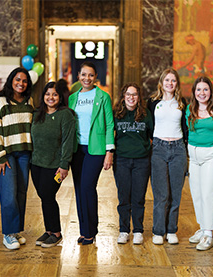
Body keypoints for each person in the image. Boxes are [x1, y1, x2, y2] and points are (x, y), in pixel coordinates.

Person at [68, 62, 115, 245]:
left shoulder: (103, 96)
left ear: (95, 77)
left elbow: (110, 124)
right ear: (78, 75)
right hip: (76, 148)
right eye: (83, 74)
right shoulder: (72, 98)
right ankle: (84, 230)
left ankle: (92, 230)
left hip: (96, 148)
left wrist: (109, 151)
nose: (87, 78)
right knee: (79, 189)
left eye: (91, 75)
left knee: (87, 187)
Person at [0, 67, 35, 250]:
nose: (20, 84)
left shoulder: (29, 101)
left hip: (24, 153)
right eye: (17, 80)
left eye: (24, 81)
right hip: (6, 155)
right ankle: (7, 234)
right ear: (11, 80)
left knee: (21, 194)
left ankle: (15, 231)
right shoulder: (0, 102)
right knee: (8, 194)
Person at [30, 81, 76, 248]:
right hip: (36, 164)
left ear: (60, 97)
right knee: (44, 196)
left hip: (55, 166)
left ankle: (56, 233)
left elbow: (67, 141)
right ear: (43, 96)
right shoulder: (37, 113)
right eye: (48, 94)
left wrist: (64, 165)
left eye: (54, 94)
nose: (51, 97)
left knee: (49, 196)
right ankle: (48, 230)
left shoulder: (66, 115)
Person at [147, 68, 188, 245]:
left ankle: (171, 230)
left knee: (175, 194)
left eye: (173, 80)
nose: (170, 83)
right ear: (161, 83)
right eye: (167, 80)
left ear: (176, 83)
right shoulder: (153, 102)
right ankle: (158, 231)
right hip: (158, 148)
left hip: (178, 149)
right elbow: (149, 125)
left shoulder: (182, 102)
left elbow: (185, 126)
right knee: (161, 194)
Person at [112, 83, 154, 245]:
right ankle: (123, 230)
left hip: (142, 160)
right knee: (123, 197)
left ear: (139, 97)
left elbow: (152, 135)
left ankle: (138, 230)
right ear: (123, 96)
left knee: (138, 197)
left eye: (135, 94)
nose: (131, 97)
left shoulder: (146, 115)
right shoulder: (116, 114)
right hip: (121, 159)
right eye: (128, 94)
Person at [185, 77, 213, 251]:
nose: (202, 93)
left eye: (205, 89)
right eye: (198, 89)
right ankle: (202, 227)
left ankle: (208, 234)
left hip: (211, 155)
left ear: (211, 91)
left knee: (209, 194)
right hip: (193, 156)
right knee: (197, 194)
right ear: (194, 92)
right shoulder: (189, 109)